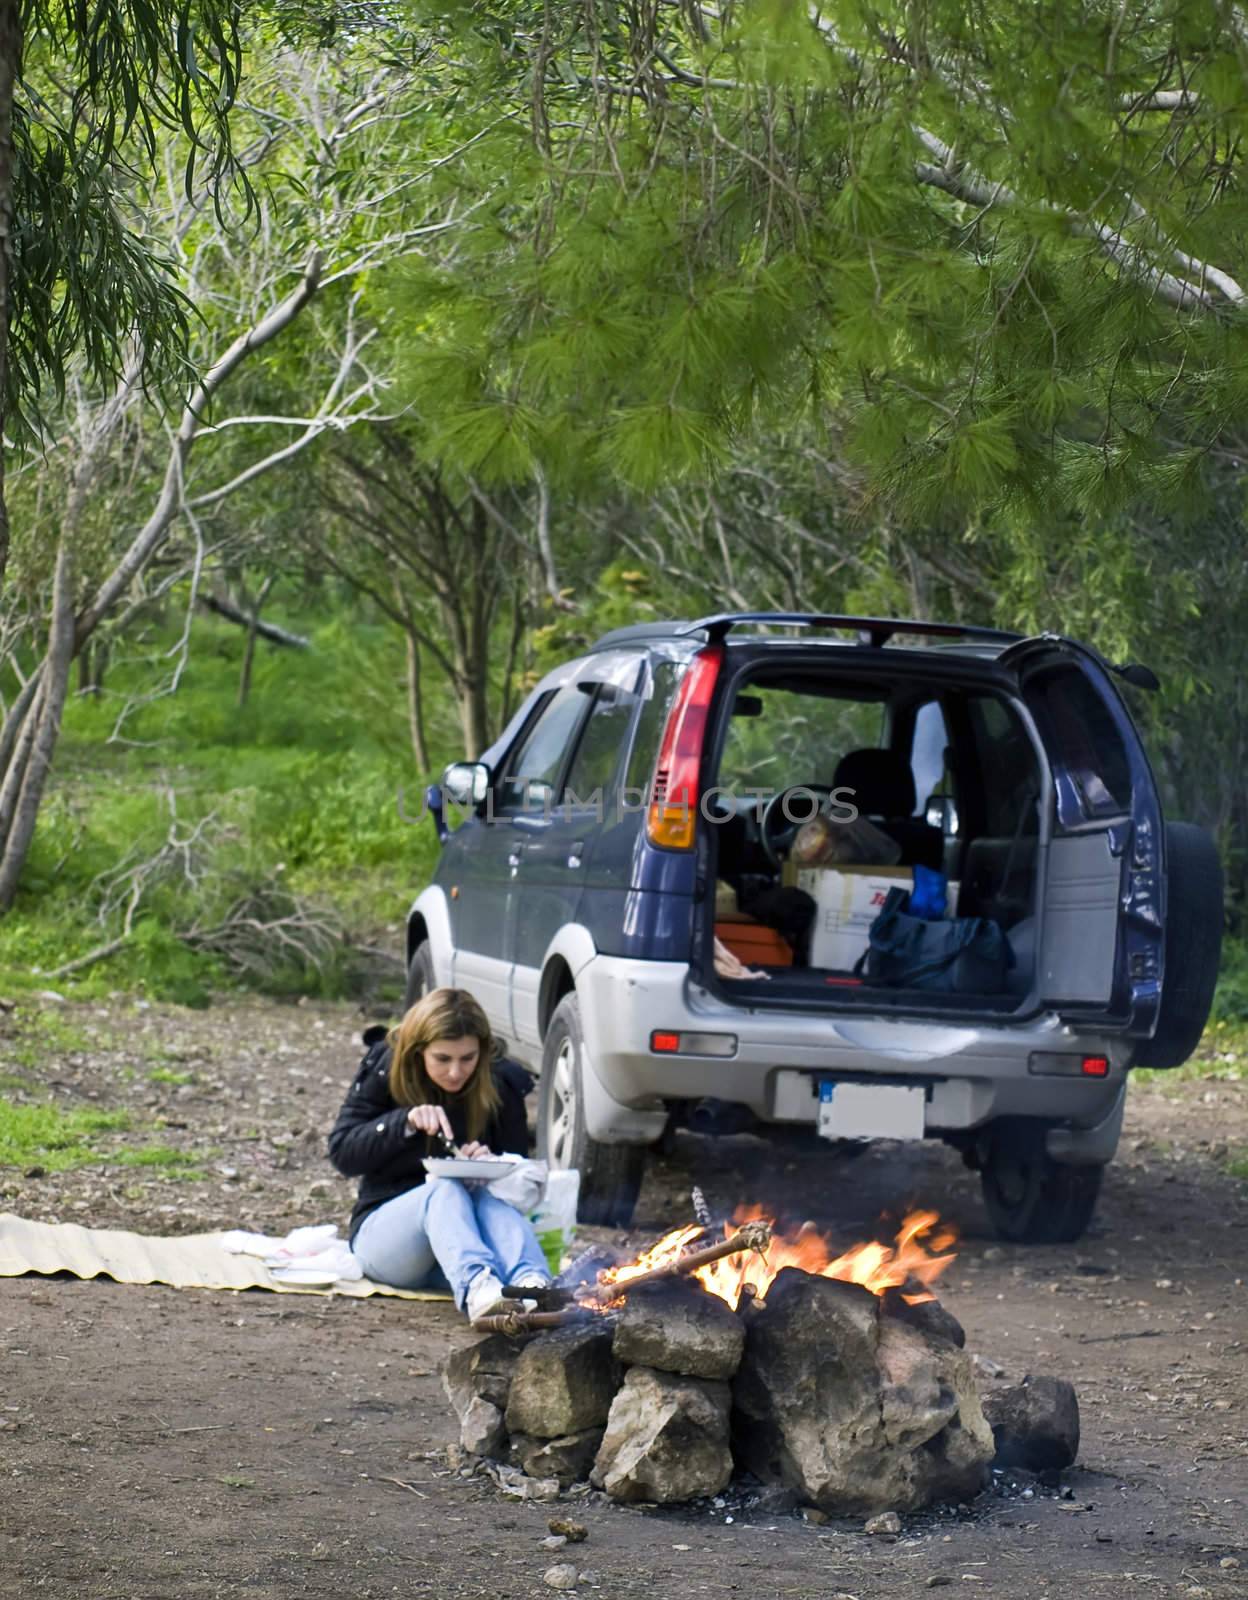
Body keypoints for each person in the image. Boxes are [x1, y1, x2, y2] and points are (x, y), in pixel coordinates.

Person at [327, 986, 552, 1322]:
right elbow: (343, 1153)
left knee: (489, 1198)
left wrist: (494, 1166)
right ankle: (479, 1291)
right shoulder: (386, 1068)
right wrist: (402, 1123)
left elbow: (521, 1186)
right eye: (443, 1059)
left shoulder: (499, 1083)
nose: (456, 1072)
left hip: (462, 1247)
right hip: (389, 1240)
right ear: (419, 1052)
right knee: (444, 1188)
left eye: (467, 1059)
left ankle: (533, 1286)